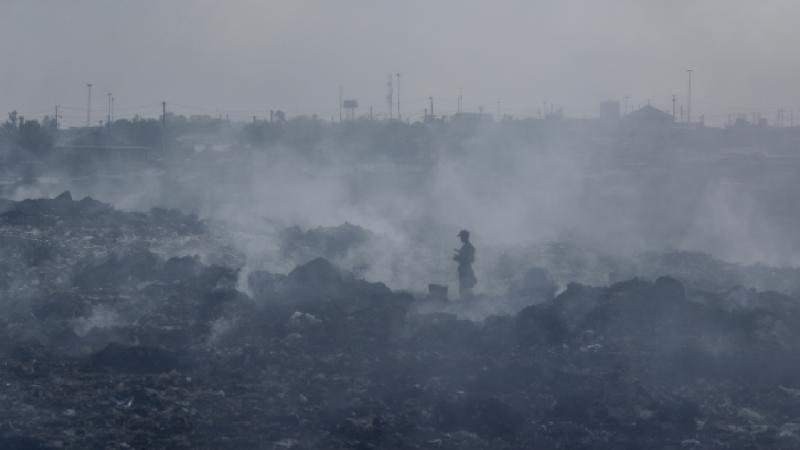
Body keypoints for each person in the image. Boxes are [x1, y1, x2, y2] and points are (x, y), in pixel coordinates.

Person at [453, 229, 477, 299]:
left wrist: (458, 258)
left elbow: (470, 259)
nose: (460, 238)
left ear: (465, 237)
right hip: (464, 271)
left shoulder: (469, 247)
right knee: (464, 289)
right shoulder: (466, 247)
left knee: (465, 289)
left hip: (466, 271)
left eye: (461, 237)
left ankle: (467, 304)